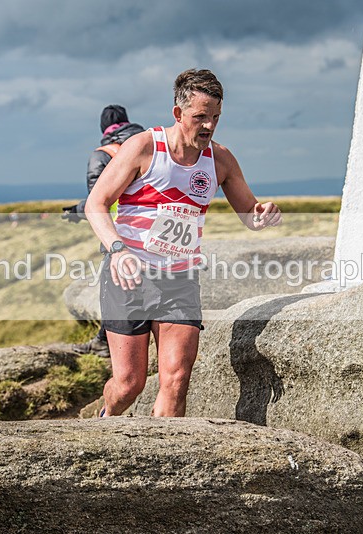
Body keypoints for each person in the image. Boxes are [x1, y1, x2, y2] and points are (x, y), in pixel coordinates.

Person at [85, 69, 282, 417]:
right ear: (178, 114)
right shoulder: (144, 147)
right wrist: (117, 251)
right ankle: (106, 419)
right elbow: (95, 204)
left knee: (176, 381)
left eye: (215, 118)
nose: (208, 126)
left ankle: (159, 462)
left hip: (179, 279)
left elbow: (249, 213)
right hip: (129, 277)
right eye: (200, 117)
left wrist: (261, 214)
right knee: (129, 385)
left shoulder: (220, 160)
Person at [64, 105, 144, 358]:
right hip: (153, 227)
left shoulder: (103, 154)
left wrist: (77, 211)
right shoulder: (148, 145)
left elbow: (97, 198)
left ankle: (105, 343)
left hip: (120, 230)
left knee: (115, 287)